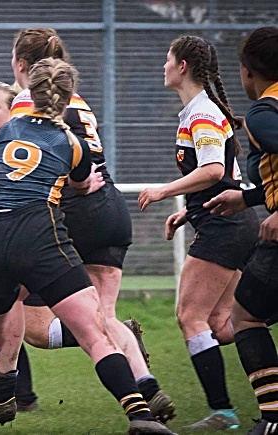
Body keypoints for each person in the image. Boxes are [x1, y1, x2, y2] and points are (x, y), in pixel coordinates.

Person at [0, 28, 175, 425]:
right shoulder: (76, 119)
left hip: (42, 221)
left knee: (8, 317)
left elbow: (7, 180)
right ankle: (143, 395)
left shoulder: (17, 119)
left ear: (22, 70)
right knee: (98, 322)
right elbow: (82, 174)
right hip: (105, 207)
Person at [137, 34, 260, 430]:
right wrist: (189, 214)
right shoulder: (197, 110)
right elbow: (229, 178)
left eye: (167, 59)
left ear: (183, 67)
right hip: (228, 221)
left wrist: (164, 192)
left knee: (190, 316)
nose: (163, 66)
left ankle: (223, 412)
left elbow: (214, 172)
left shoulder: (202, 113)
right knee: (223, 324)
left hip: (226, 227)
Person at [202, 26, 278, 435]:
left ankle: (273, 418)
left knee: (246, 316)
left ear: (249, 72)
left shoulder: (265, 111)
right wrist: (246, 198)